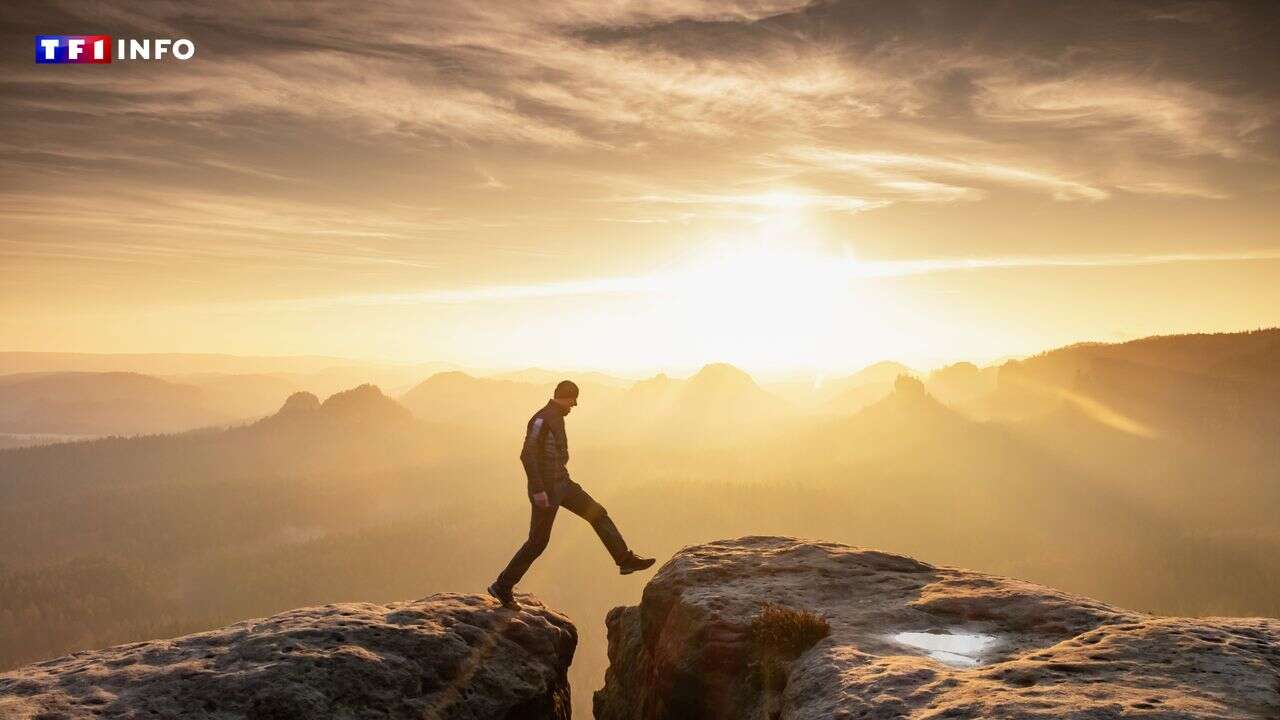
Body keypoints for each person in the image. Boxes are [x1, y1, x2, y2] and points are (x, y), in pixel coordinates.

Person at [488, 379, 654, 609]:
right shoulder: (541, 420)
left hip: (562, 484)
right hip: (546, 490)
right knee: (538, 542)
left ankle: (625, 560)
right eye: (573, 400)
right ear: (565, 397)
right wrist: (538, 490)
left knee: (597, 513)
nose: (574, 406)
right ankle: (503, 585)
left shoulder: (554, 417)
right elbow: (527, 456)